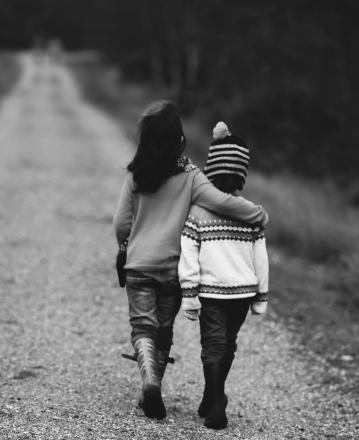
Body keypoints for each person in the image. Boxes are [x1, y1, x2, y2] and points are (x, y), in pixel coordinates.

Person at [112, 102, 269, 420]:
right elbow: (222, 202)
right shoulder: (191, 177)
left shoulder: (135, 175)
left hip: (139, 264)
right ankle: (155, 385)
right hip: (172, 268)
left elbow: (120, 224)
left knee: (143, 326)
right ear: (178, 139)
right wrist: (258, 215)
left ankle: (150, 383)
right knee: (164, 330)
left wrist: (126, 246)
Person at [178, 121, 269, 430]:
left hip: (211, 292)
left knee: (213, 346)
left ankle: (216, 404)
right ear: (241, 174)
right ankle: (213, 395)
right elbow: (261, 258)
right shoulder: (250, 213)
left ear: (210, 170)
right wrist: (261, 295)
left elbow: (188, 254)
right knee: (228, 344)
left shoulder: (198, 211)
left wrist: (189, 294)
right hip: (242, 292)